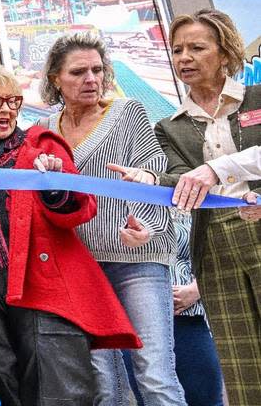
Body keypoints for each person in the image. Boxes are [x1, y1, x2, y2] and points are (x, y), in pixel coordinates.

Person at [0, 66, 140, 406]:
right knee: (7, 384)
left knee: (61, 389)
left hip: (41, 284)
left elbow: (81, 208)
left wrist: (55, 189)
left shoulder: (41, 146)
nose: (6, 109)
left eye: (13, 101)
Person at [112, 8, 260, 405]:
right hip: (215, 246)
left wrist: (216, 168)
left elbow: (208, 173)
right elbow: (180, 181)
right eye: (177, 50)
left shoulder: (257, 97)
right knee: (241, 364)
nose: (184, 58)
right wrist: (149, 181)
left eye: (197, 47)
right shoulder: (171, 126)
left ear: (225, 53)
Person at [34, 33, 184, 405]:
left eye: (98, 70)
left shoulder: (128, 111)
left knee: (154, 374)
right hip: (82, 267)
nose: (91, 79)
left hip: (139, 261)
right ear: (55, 78)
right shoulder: (45, 130)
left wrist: (147, 229)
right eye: (78, 71)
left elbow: (154, 171)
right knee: (101, 382)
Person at [169, 211, 223, 406]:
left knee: (205, 399)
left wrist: (197, 289)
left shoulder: (202, 199)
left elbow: (223, 250)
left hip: (190, 316)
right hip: (139, 319)